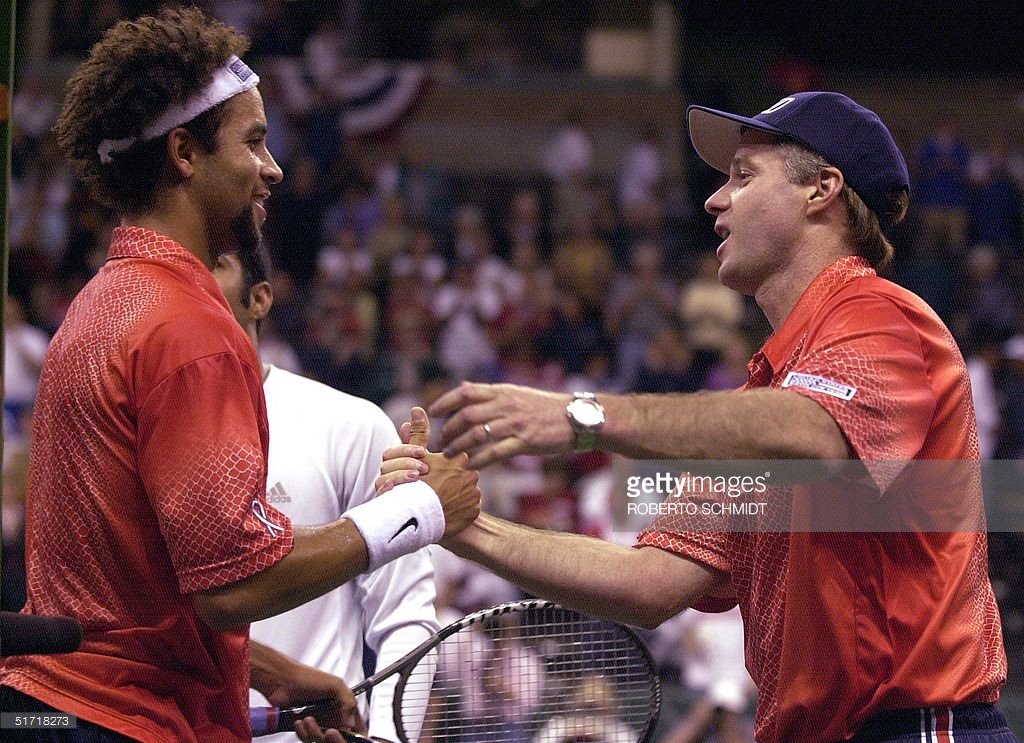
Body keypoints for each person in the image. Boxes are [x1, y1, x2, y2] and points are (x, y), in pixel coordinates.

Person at [382, 93, 1015, 742]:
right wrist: (457, 523)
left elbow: (814, 433)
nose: (715, 201)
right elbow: (651, 582)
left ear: (821, 190)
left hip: (915, 728)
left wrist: (582, 415)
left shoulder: (883, 317)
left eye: (743, 176)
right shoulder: (762, 399)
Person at [0, 8, 479, 743]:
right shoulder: (188, 325)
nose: (273, 168)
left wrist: (267, 670)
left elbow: (134, 594)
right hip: (126, 723)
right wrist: (417, 510)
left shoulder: (99, 302)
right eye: (253, 141)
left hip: (49, 709)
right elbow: (233, 584)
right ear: (185, 153)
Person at [212, 249, 441, 743]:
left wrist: (385, 739)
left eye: (213, 263)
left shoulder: (348, 425)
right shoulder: (136, 435)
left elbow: (404, 613)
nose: (190, 281)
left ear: (259, 298)